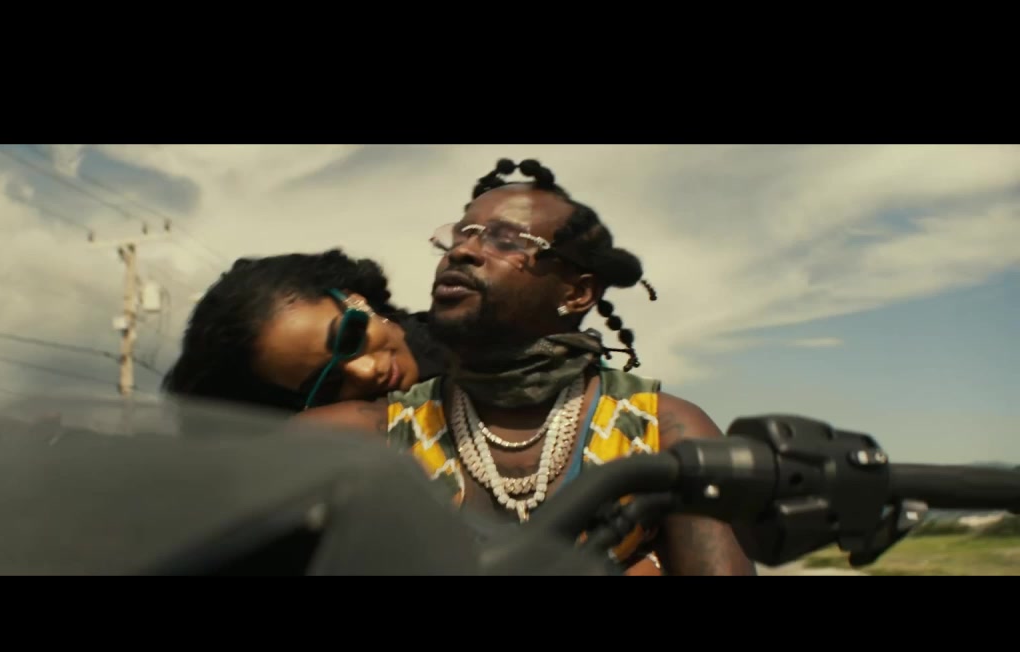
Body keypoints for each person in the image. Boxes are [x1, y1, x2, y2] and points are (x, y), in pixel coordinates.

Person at [296, 159, 756, 576]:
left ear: (577, 293)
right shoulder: (374, 435)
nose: (462, 251)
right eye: (460, 235)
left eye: (506, 240)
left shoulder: (661, 432)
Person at [163, 249, 449, 413]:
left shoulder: (469, 353)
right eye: (328, 384)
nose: (366, 371)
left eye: (349, 338)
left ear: (356, 300)